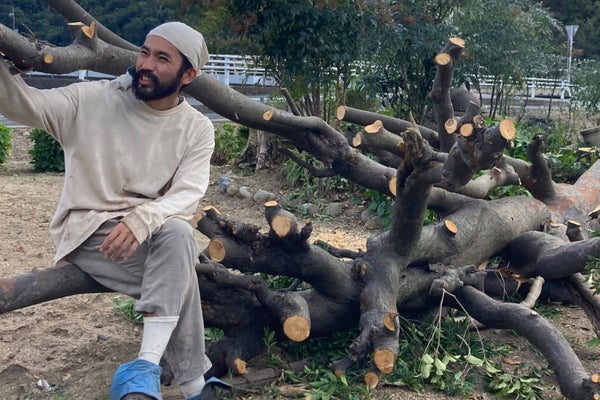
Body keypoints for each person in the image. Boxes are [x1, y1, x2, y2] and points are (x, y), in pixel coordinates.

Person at [0, 22, 226, 400]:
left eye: (162, 58)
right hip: (88, 230)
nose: (146, 64)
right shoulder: (93, 100)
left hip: (149, 236)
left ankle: (160, 373)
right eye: (144, 52)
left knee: (178, 234)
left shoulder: (197, 128)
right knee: (178, 268)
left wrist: (141, 219)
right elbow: (24, 104)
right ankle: (190, 385)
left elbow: (189, 193)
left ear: (188, 75)